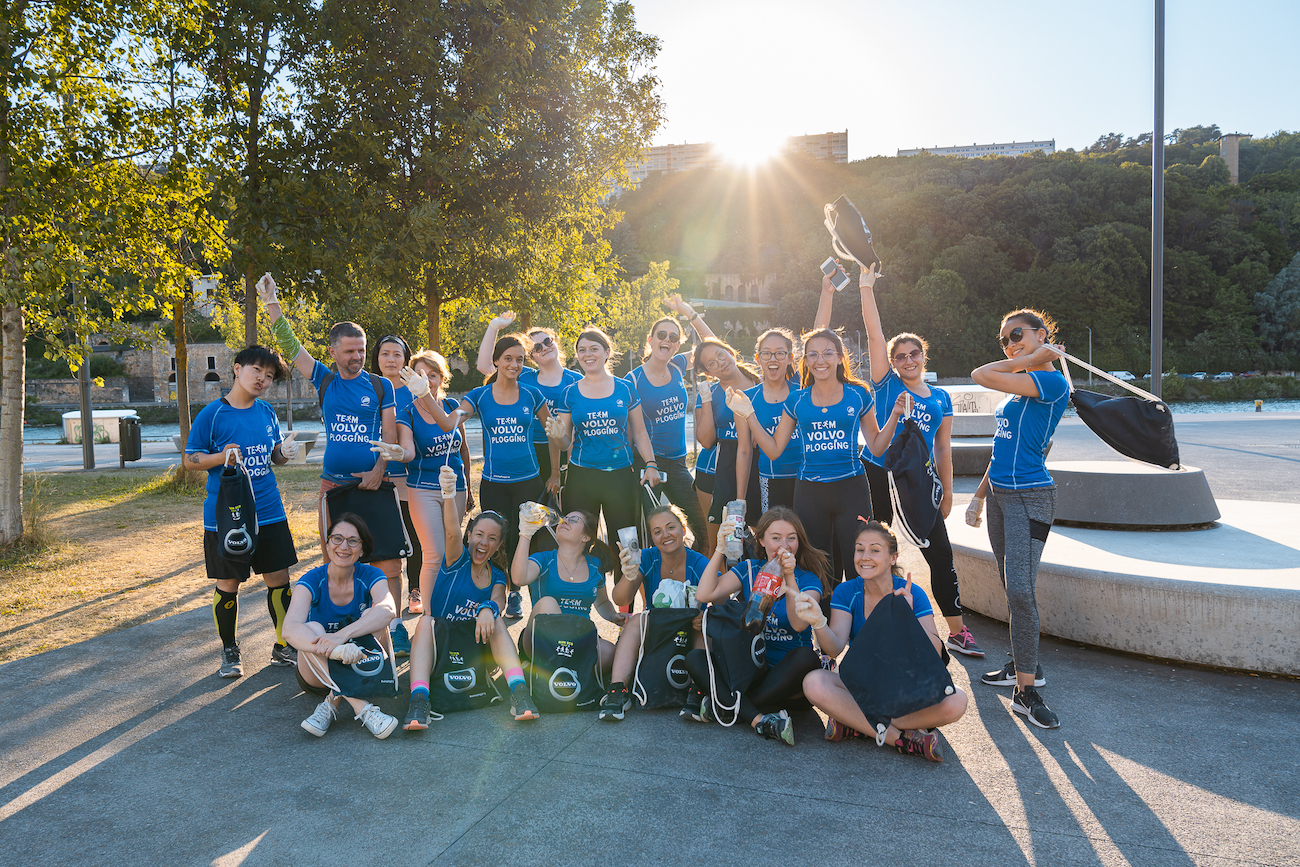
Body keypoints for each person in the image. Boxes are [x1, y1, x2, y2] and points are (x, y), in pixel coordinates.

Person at [844, 262, 982, 658]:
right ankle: (869, 625)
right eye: (899, 355)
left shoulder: (940, 397)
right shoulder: (885, 383)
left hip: (918, 482)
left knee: (940, 553)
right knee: (870, 548)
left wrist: (949, 491)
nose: (907, 360)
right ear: (892, 361)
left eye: (913, 353)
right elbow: (874, 333)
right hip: (876, 473)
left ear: (923, 356)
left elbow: (943, 447)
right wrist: (866, 288)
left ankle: (956, 630)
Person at [259, 274, 406, 636]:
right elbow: (291, 347)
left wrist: (378, 469)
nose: (356, 356)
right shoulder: (324, 379)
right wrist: (271, 303)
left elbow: (389, 435)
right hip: (334, 487)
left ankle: (395, 625)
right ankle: (340, 625)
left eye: (361, 350)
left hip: (376, 484)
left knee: (388, 562)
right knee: (336, 560)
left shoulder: (379, 384)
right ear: (333, 352)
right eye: (349, 350)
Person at [734, 329, 906, 586]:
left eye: (827, 353)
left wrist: (894, 415)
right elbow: (773, 450)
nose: (819, 360)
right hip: (810, 493)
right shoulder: (796, 399)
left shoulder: (858, 394)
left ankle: (861, 621)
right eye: (812, 354)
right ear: (805, 361)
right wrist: (749, 414)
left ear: (839, 357)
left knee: (859, 562)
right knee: (819, 569)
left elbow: (877, 447)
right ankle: (826, 623)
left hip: (852, 489)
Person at [968, 309, 1069, 729]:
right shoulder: (1018, 393)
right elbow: (1002, 448)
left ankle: (1026, 692)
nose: (1010, 343)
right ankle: (1023, 664)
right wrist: (977, 496)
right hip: (999, 496)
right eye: (1004, 339)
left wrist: (1034, 357)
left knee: (1023, 593)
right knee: (1012, 586)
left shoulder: (1051, 380)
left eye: (1017, 335)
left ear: (1043, 335)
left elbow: (980, 374)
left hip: (1030, 497)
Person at [413, 332, 560, 618]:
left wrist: (554, 472)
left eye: (520, 359)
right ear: (495, 362)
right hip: (494, 483)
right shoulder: (479, 396)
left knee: (529, 542)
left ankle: (529, 602)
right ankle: (498, 595)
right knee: (494, 542)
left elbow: (556, 437)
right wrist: (423, 394)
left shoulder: (532, 393)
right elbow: (446, 424)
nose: (514, 365)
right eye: (508, 359)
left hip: (529, 482)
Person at [799, 520, 968, 761]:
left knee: (957, 701)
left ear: (893, 558)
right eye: (859, 549)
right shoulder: (847, 592)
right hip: (865, 684)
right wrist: (818, 623)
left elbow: (935, 652)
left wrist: (907, 619)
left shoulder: (912, 592)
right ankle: (900, 739)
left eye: (875, 550)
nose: (864, 556)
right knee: (814, 682)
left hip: (908, 686)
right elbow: (834, 649)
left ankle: (856, 723)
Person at [185, 345, 300, 678]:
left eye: (268, 376)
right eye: (256, 371)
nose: (262, 379)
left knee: (279, 579)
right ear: (237, 369)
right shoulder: (213, 414)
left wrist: (283, 452)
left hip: (269, 509)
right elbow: (190, 459)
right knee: (228, 582)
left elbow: (272, 458)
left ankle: (283, 645)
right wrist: (222, 457)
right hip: (228, 515)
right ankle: (229, 650)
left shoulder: (266, 412)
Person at [402, 467, 541, 729]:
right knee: (425, 621)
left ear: (499, 545)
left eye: (492, 538)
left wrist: (488, 608)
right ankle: (419, 700)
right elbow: (451, 531)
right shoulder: (456, 560)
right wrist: (448, 494)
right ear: (469, 537)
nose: (484, 542)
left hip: (474, 649)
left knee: (497, 621)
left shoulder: (497, 574)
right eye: (479, 534)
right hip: (440, 648)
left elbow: (499, 599)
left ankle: (519, 692)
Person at [686, 507, 832, 745]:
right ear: (762, 540)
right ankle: (757, 718)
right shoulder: (750, 568)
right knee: (695, 658)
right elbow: (705, 594)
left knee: (807, 657)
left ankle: (728, 706)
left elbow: (797, 625)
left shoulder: (808, 578)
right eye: (776, 538)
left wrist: (790, 575)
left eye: (791, 538)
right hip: (751, 670)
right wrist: (720, 549)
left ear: (799, 542)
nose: (784, 545)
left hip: (789, 679)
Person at [546, 327, 661, 583]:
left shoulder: (625, 388)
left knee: (627, 541)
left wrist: (651, 464)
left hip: (620, 477)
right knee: (579, 541)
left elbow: (640, 433)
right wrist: (557, 434)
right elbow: (565, 444)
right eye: (582, 350)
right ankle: (583, 599)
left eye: (594, 348)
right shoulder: (570, 392)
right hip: (582, 477)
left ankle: (626, 608)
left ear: (607, 352)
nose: (588, 354)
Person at [283, 514, 402, 739]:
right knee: (314, 628)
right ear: (327, 544)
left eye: (352, 541)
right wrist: (335, 650)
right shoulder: (311, 580)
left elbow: (388, 609)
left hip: (362, 664)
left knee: (372, 613)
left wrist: (340, 636)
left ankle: (332, 702)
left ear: (362, 550)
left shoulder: (371, 574)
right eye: (336, 538)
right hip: (317, 673)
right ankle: (363, 709)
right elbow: (288, 629)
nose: (343, 546)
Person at [599, 504, 711, 721]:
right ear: (651, 537)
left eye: (671, 527)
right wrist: (629, 573)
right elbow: (621, 599)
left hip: (692, 630)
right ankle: (617, 690)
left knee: (704, 623)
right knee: (637, 621)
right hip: (657, 630)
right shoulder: (647, 557)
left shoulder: (698, 561)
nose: (665, 535)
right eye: (657, 531)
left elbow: (722, 600)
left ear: (683, 529)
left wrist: (705, 615)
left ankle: (698, 692)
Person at [624, 297, 713, 549]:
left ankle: (690, 584)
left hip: (678, 463)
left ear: (678, 345)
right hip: (648, 465)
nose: (667, 340)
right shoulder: (633, 380)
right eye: (661, 334)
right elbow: (631, 432)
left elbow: (714, 347)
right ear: (650, 340)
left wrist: (689, 313)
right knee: (653, 538)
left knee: (703, 530)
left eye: (674, 337)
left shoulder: (677, 365)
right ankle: (658, 586)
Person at [395, 350, 472, 628]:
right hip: (423, 489)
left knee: (453, 551)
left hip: (456, 488)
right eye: (420, 375)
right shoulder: (406, 414)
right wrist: (398, 453)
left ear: (443, 378)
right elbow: (407, 451)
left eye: (432, 375)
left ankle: (449, 608)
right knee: (434, 553)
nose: (426, 380)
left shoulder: (454, 405)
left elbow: (462, 448)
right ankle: (429, 617)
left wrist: (470, 490)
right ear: (409, 380)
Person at [511, 507, 625, 676]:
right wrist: (525, 534)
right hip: (540, 639)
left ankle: (562, 676)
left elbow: (602, 602)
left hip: (579, 640)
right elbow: (519, 579)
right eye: (564, 519)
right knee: (547, 603)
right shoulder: (544, 559)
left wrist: (613, 616)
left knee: (609, 652)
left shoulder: (594, 565)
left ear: (586, 537)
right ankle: (559, 674)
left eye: (573, 520)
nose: (564, 521)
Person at [693, 337, 762, 535]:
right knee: (721, 542)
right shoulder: (710, 393)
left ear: (730, 352)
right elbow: (705, 441)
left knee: (762, 537)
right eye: (711, 364)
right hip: (715, 472)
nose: (720, 363)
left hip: (758, 467)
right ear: (708, 372)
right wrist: (706, 399)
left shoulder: (761, 383)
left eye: (720, 355)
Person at [744, 328, 801, 514]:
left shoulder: (803, 391)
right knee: (775, 534)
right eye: (766, 353)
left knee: (807, 535)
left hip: (806, 477)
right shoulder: (748, 399)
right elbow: (744, 451)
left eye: (780, 353)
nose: (773, 358)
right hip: (771, 478)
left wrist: (826, 296)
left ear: (790, 358)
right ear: (758, 359)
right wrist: (739, 499)